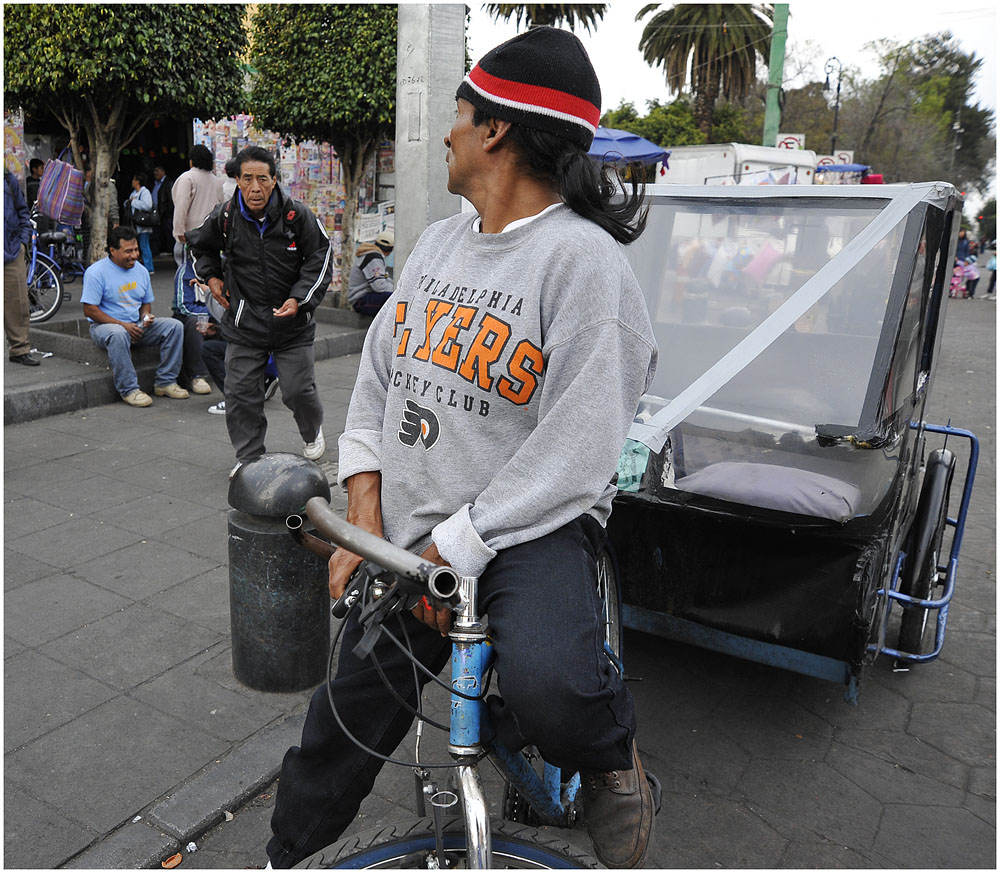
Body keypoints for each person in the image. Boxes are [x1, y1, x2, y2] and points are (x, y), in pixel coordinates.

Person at [266, 27, 657, 870]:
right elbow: (380, 373)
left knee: (554, 685)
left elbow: (578, 451)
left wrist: (461, 546)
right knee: (344, 718)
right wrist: (363, 493)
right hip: (415, 534)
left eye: (459, 114)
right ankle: (283, 858)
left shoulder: (583, 265)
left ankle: (614, 763)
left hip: (526, 529)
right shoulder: (442, 243)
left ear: (498, 130)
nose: (446, 132)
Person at [187, 145, 333, 463]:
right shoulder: (225, 216)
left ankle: (312, 430)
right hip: (244, 322)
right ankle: (249, 458)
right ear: (237, 180)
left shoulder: (297, 215)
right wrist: (211, 279)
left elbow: (321, 256)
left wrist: (300, 299)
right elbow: (198, 245)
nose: (256, 188)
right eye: (248, 179)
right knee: (240, 395)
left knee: (297, 391)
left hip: (292, 325)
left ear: (274, 179)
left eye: (263, 179)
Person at [81, 226, 189, 407]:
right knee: (118, 333)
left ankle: (166, 382)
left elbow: (146, 302)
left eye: (136, 249)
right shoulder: (96, 272)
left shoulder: (141, 271)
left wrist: (145, 317)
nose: (134, 255)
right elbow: (90, 310)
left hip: (135, 325)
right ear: (113, 251)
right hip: (105, 327)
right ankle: (129, 389)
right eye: (128, 251)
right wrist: (123, 325)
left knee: (174, 326)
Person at [4, 168, 39, 366]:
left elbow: (22, 212)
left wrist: (22, 244)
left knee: (17, 303)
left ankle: (19, 349)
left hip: (10, 250)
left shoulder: (7, 177)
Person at [172, 144, 224, 268]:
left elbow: (181, 206)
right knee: (209, 271)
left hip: (191, 235)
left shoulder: (187, 178)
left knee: (188, 270)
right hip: (211, 234)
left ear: (191, 161)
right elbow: (221, 207)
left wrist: (179, 231)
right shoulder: (216, 181)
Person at [347, 229, 394, 315]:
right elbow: (379, 287)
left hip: (363, 298)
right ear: (390, 249)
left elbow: (385, 279)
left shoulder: (372, 255)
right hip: (361, 301)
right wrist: (397, 291)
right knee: (395, 298)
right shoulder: (373, 258)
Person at [126, 173, 156, 272]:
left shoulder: (145, 192)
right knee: (139, 245)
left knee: (144, 245)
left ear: (137, 182)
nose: (132, 182)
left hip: (143, 224)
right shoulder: (134, 192)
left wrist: (133, 202)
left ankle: (149, 267)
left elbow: (148, 205)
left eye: (133, 180)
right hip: (135, 224)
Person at [152, 164, 174, 255]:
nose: (155, 173)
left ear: (163, 171)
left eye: (157, 171)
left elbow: (170, 200)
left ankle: (169, 250)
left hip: (166, 214)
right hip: (157, 213)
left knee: (168, 232)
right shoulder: (155, 183)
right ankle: (162, 249)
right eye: (154, 171)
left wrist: (167, 212)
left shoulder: (168, 183)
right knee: (159, 233)